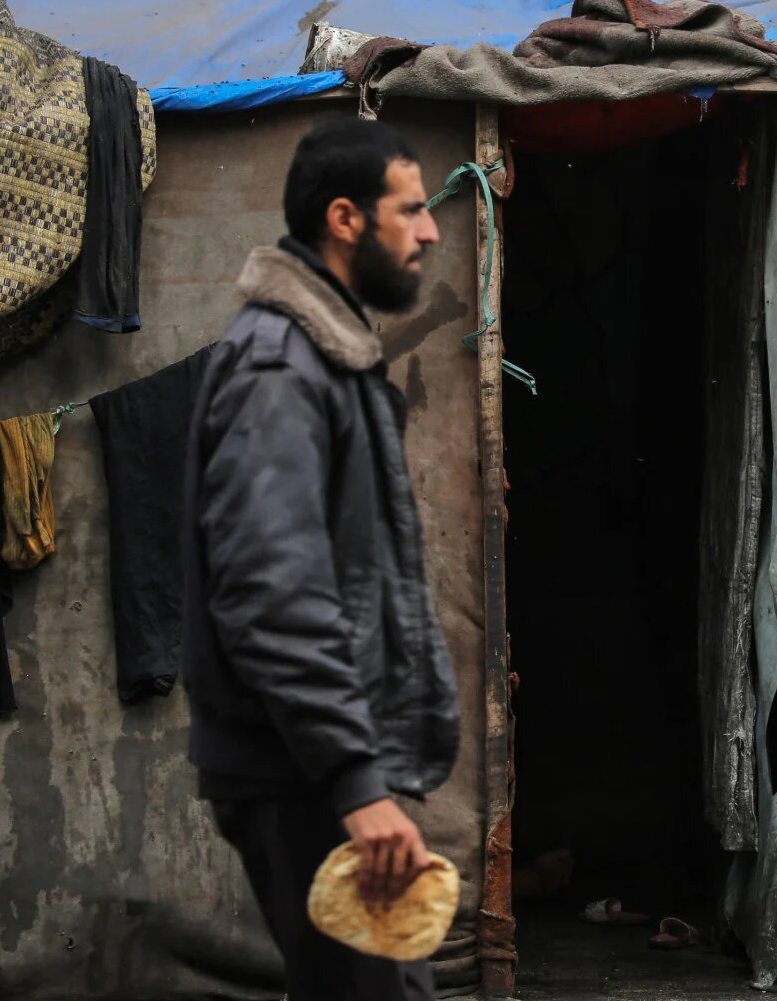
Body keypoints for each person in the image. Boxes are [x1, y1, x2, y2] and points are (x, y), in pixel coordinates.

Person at [181, 118, 460, 1000]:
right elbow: (273, 590)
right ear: (345, 218)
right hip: (300, 771)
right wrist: (353, 781)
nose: (432, 231)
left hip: (317, 765)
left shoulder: (327, 358)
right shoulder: (280, 371)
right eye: (410, 210)